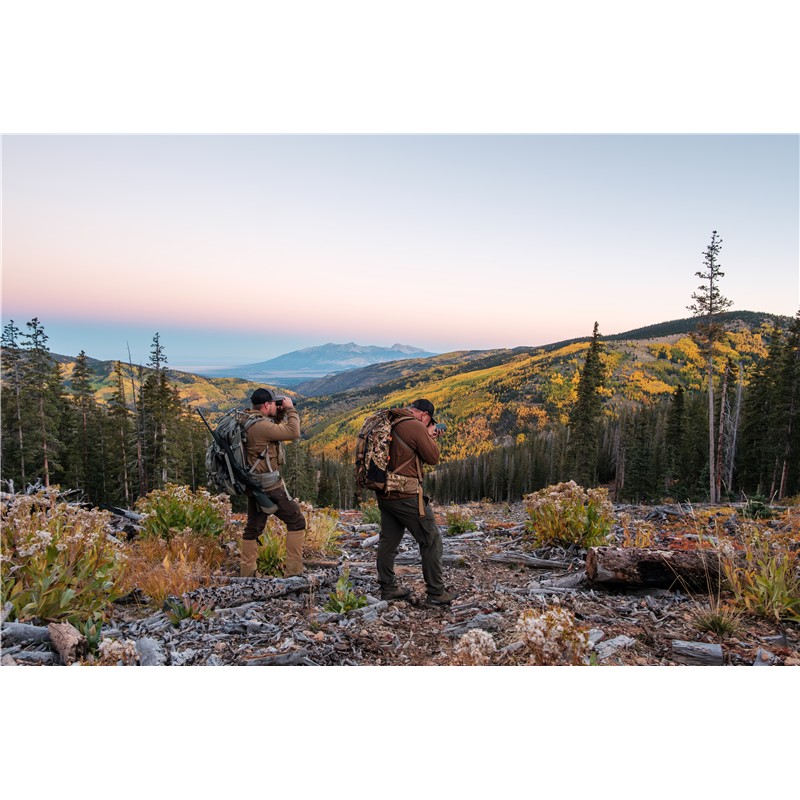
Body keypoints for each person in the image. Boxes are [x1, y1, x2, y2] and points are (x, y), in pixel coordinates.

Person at [375, 399, 454, 606]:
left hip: (385, 492)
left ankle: (388, 588)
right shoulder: (415, 426)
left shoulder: (393, 421)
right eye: (429, 421)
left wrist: (426, 435)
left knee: (388, 541)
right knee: (431, 539)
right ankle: (436, 593)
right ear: (425, 415)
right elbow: (433, 457)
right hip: (406, 494)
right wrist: (431, 438)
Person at [239, 387, 306, 578]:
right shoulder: (261, 426)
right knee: (296, 521)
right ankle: (294, 572)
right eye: (274, 404)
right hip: (269, 486)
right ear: (267, 405)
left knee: (254, 526)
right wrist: (290, 409)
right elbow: (293, 432)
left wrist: (280, 412)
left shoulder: (247, 419)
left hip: (254, 483)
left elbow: (272, 426)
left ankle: (247, 573)